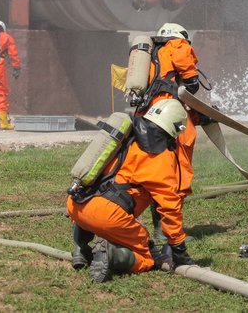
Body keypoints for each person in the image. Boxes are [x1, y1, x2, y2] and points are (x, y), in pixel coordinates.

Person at [67, 99, 195, 283]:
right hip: (108, 216)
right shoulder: (160, 157)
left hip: (77, 203)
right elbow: (170, 207)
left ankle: (80, 249)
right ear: (176, 128)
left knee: (98, 212)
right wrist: (178, 249)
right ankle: (112, 255)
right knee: (147, 258)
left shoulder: (125, 135)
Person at [131, 23, 207, 245]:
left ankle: (154, 228)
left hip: (144, 116)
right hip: (167, 115)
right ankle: (166, 231)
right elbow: (191, 84)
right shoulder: (178, 45)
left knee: (152, 171)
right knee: (177, 172)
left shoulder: (150, 52)